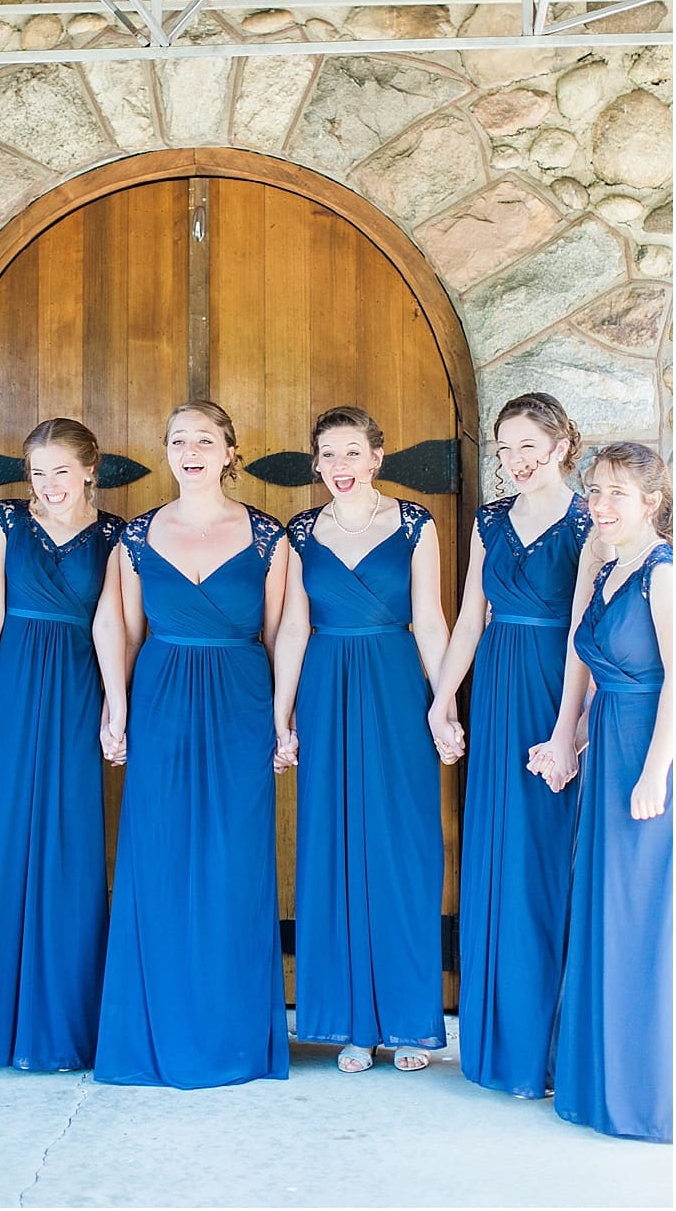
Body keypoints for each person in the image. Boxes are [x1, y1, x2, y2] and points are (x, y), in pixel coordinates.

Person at [93, 399, 289, 1089]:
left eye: (205, 439)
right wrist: (115, 711)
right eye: (178, 439)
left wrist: (281, 717)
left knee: (234, 863)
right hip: (162, 699)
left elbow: (282, 632)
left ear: (230, 451)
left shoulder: (269, 537)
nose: (191, 450)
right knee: (158, 859)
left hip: (239, 697)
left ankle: (231, 1037)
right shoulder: (137, 537)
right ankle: (153, 1032)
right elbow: (114, 627)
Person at [274, 406, 456, 1073]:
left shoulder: (414, 525)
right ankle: (353, 1022)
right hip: (324, 686)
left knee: (401, 848)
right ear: (315, 463)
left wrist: (442, 705)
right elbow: (292, 628)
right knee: (333, 848)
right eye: (328, 455)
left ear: (376, 457)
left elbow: (431, 622)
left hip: (393, 684)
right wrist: (280, 713)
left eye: (352, 453)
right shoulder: (299, 533)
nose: (340, 467)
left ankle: (409, 1022)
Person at [428, 391, 594, 1100]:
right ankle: (501, 1048)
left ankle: (552, 1053)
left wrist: (566, 732)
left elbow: (586, 633)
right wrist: (440, 697)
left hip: (556, 692)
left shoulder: (589, 519)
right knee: (497, 857)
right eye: (504, 448)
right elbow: (468, 619)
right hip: (494, 693)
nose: (515, 460)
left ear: (560, 446)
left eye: (529, 445)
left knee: (547, 863)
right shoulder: (489, 520)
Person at [0, 417, 124, 1071]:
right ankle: (7, 1025)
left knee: (71, 853)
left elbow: (112, 624)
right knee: (5, 848)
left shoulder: (114, 536)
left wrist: (115, 703)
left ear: (88, 470)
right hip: (11, 690)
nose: (48, 485)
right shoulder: (1, 522)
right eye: (38, 472)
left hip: (77, 689)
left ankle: (64, 1031)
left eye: (61, 471)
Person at [529, 442, 672, 1143]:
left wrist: (653, 773)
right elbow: (591, 667)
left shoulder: (661, 573)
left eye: (618, 493)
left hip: (648, 756)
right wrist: (569, 737)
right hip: (609, 741)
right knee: (603, 912)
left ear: (652, 501)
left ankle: (646, 1093)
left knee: (643, 916)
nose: (601, 505)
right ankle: (601, 1079)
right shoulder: (610, 565)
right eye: (594, 492)